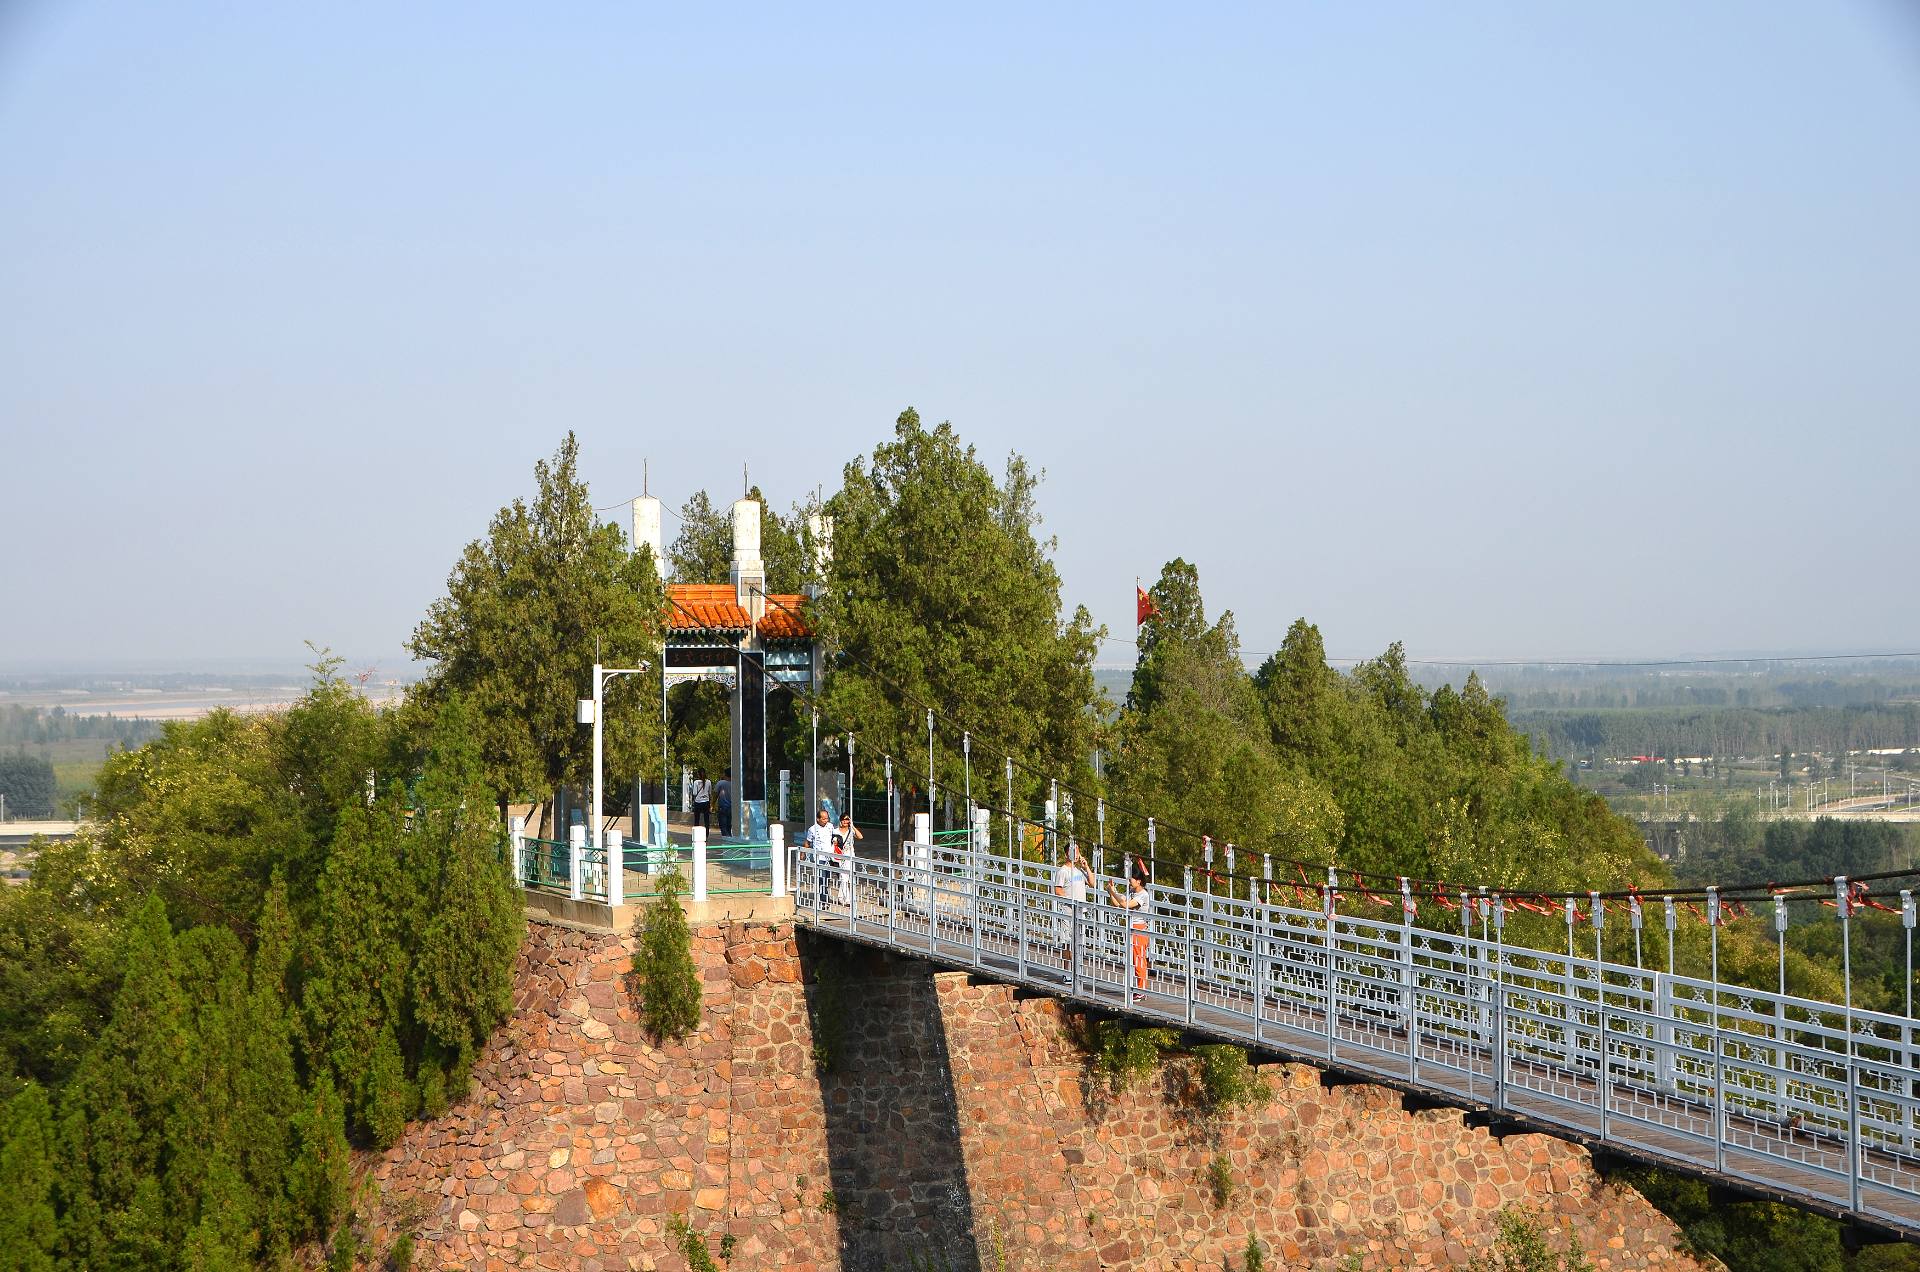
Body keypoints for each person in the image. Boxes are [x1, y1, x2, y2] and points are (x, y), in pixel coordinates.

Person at [1108, 863, 1152, 1000]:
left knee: (1139, 960)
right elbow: (1117, 904)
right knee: (1136, 959)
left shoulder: (1143, 895)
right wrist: (1111, 892)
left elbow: (1126, 905)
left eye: (1131, 880)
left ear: (1138, 881)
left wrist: (1113, 891)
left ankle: (1141, 990)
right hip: (1133, 930)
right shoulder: (1133, 893)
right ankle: (1139, 989)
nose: (1129, 882)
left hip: (1139, 930)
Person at [1053, 842, 1090, 971]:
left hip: (1081, 912)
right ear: (1066, 854)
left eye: (1077, 851)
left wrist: (1086, 867)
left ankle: (1077, 971)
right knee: (1067, 943)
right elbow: (1058, 890)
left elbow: (1092, 883)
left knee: (1079, 943)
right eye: (1073, 851)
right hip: (1068, 912)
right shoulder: (1063, 871)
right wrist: (1071, 901)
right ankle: (1066, 971)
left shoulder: (1079, 870)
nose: (1076, 854)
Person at [803, 809, 835, 908]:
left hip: (829, 857)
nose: (826, 820)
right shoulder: (812, 829)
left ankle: (824, 897)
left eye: (827, 818)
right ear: (818, 819)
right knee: (821, 879)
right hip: (819, 858)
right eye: (823, 818)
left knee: (827, 879)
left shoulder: (830, 826)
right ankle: (823, 901)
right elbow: (807, 842)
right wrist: (803, 854)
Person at [833, 813, 863, 907]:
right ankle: (848, 899)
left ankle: (841, 897)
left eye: (847, 820)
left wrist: (853, 826)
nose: (846, 822)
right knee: (843, 876)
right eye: (844, 820)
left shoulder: (851, 831)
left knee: (848, 877)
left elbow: (860, 836)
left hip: (850, 855)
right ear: (841, 821)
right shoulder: (835, 831)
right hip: (839, 855)